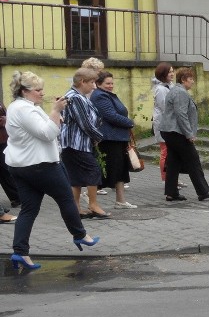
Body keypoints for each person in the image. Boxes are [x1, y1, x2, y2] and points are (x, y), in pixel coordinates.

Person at [5, 71, 99, 270]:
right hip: (40, 164)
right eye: (38, 90)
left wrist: (54, 116)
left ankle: (20, 252)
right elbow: (47, 134)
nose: (42, 93)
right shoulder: (25, 109)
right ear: (24, 91)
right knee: (66, 198)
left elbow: (42, 128)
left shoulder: (20, 107)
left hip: (21, 165)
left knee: (29, 209)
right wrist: (56, 111)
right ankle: (80, 235)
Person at [160, 67, 209, 202]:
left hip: (170, 131)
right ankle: (203, 191)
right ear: (184, 80)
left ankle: (171, 193)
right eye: (191, 79)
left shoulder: (176, 90)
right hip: (177, 132)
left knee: (173, 162)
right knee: (193, 160)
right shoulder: (180, 92)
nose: (192, 82)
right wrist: (189, 133)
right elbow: (181, 114)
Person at [61, 68, 110, 219]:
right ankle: (93, 205)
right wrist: (98, 137)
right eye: (92, 82)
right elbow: (85, 123)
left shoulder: (78, 96)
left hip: (76, 143)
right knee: (93, 171)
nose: (95, 86)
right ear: (82, 82)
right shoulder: (75, 97)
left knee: (75, 177)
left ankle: (75, 209)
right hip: (76, 144)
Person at [90, 71, 137, 209]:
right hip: (110, 138)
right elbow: (110, 115)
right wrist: (130, 122)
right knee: (110, 170)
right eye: (107, 83)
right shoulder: (99, 96)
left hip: (117, 137)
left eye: (112, 83)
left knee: (120, 170)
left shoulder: (107, 95)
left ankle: (120, 201)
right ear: (98, 84)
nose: (110, 86)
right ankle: (88, 196)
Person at [152, 62, 183, 187]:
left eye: (172, 71)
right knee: (165, 151)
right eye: (169, 72)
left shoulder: (171, 86)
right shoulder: (160, 89)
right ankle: (166, 178)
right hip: (163, 124)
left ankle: (173, 177)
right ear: (163, 74)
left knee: (172, 151)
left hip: (171, 123)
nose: (172, 74)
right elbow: (165, 107)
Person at [0, 99, 21, 210]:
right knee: (5, 170)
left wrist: (6, 119)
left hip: (2, 139)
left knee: (5, 171)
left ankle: (16, 197)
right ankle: (16, 197)